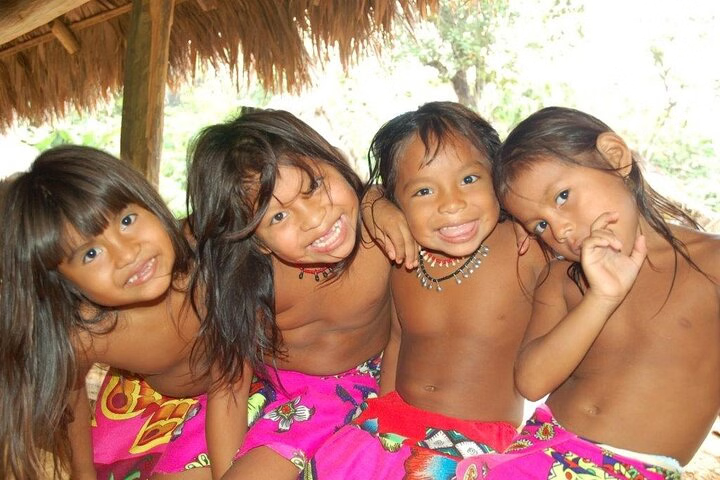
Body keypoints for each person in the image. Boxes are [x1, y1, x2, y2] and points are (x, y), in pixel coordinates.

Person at [456, 106, 720, 480]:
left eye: (563, 196)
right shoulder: (562, 278)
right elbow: (531, 382)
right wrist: (600, 300)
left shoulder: (711, 264)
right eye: (541, 224)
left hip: (635, 470)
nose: (560, 230)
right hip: (539, 449)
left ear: (615, 157)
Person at [310, 101, 546, 479]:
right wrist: (381, 418)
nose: (452, 204)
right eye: (423, 191)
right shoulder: (401, 250)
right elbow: (399, 338)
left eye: (469, 180)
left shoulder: (523, 247)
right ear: (397, 202)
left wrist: (530, 218)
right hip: (387, 427)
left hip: (473, 444)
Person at [185, 108, 392, 479]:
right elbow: (229, 387)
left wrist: (379, 201)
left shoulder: (384, 238)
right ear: (255, 241)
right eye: (278, 217)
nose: (314, 219)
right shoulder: (251, 283)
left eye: (312, 186)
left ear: (335, 160)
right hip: (273, 393)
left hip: (369, 386)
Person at [0, 145, 215, 480]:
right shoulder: (87, 334)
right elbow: (72, 405)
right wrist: (83, 475)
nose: (127, 254)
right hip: (154, 406)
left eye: (127, 220)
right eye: (91, 254)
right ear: (62, 283)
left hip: (253, 381)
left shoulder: (209, 251)